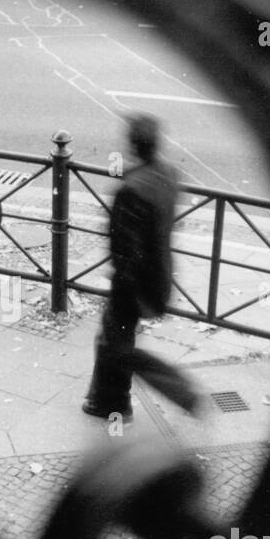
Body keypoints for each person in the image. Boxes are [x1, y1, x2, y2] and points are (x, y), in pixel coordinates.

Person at [83, 114, 195, 422]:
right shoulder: (170, 174)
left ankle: (128, 402)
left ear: (132, 144)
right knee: (115, 341)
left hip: (133, 282)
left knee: (115, 344)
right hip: (160, 272)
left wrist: (124, 283)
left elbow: (124, 249)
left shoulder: (130, 188)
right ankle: (104, 402)